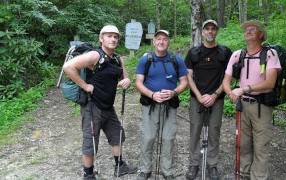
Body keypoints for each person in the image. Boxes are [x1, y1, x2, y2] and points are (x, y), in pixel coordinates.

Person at [63, 25, 137, 180]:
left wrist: (127, 81)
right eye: (109, 36)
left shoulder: (117, 59)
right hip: (92, 106)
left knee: (117, 135)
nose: (113, 39)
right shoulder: (95, 55)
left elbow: (124, 77)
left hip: (108, 107)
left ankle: (119, 166)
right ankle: (88, 175)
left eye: (115, 36)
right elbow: (68, 67)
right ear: (101, 38)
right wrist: (85, 86)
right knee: (91, 141)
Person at [222, 20, 281, 180]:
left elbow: (270, 83)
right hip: (242, 105)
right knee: (243, 143)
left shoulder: (269, 54)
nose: (248, 31)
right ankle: (243, 174)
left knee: (261, 145)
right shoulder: (237, 54)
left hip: (262, 106)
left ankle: (259, 176)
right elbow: (226, 81)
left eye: (252, 29)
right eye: (246, 29)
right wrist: (231, 94)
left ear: (261, 35)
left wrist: (244, 89)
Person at [135, 30, 188, 180]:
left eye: (164, 39)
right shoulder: (146, 59)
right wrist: (152, 94)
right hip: (150, 104)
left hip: (170, 105)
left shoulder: (176, 59)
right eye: (158, 39)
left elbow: (185, 82)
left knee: (168, 138)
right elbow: (138, 82)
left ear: (168, 42)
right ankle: (145, 169)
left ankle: (167, 171)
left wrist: (174, 92)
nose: (161, 42)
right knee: (148, 137)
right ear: (154, 42)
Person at [184, 19, 232, 180]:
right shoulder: (193, 52)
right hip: (196, 99)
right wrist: (199, 96)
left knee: (214, 131)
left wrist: (214, 95)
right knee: (195, 130)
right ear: (202, 32)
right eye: (207, 29)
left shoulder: (225, 52)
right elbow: (189, 76)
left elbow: (228, 76)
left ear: (216, 31)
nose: (210, 31)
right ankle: (194, 164)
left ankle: (212, 164)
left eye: (213, 29)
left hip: (217, 99)